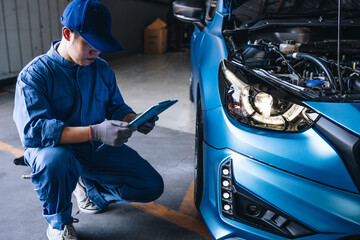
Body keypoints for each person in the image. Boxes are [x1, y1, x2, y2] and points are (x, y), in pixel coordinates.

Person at [13, 0, 164, 239]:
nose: (97, 52)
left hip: (95, 149)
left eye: (100, 46)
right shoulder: (35, 75)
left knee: (151, 186)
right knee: (55, 161)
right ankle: (58, 223)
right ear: (67, 33)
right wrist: (94, 132)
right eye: (90, 44)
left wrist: (135, 119)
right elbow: (35, 131)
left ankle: (90, 192)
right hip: (56, 151)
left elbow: (117, 106)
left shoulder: (101, 69)